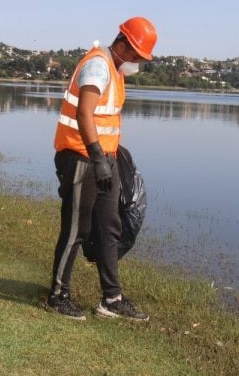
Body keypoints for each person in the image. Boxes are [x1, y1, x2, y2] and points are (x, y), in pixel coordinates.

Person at [47, 16, 157, 321]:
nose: (137, 63)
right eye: (136, 56)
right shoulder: (98, 65)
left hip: (103, 161)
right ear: (122, 44)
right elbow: (84, 113)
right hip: (81, 158)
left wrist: (109, 158)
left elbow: (105, 120)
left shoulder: (116, 70)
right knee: (76, 229)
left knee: (110, 228)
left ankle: (112, 299)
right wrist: (97, 156)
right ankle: (57, 296)